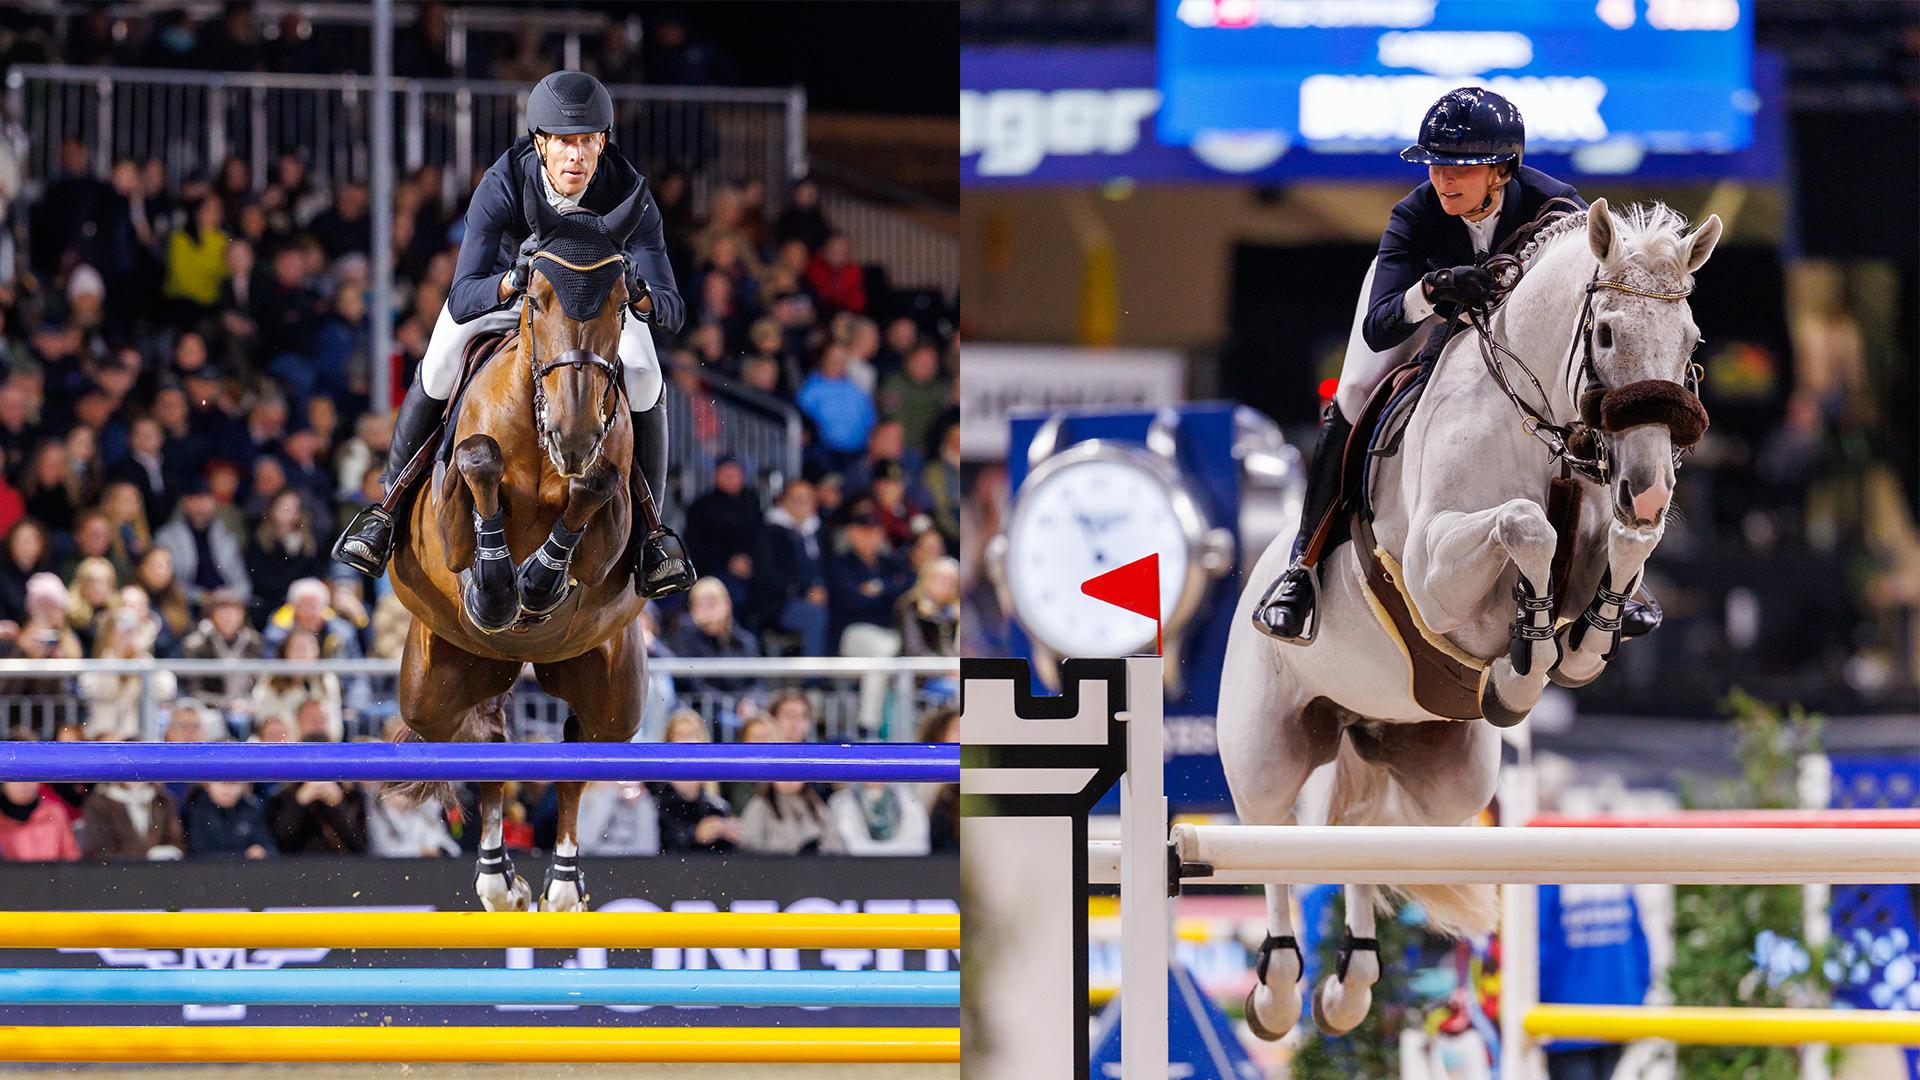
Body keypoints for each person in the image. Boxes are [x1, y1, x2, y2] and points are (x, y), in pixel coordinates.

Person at [1251, 87, 1659, 646]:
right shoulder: (1415, 214)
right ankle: (1303, 567)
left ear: (1501, 169)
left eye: (1460, 167)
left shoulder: (1558, 207)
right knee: (1354, 391)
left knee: (1583, 398)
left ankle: (1623, 573)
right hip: (1428, 321)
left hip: (1519, 340)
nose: (1443, 179)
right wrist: (1431, 289)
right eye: (1436, 164)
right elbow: (1379, 326)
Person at [333, 69, 694, 600]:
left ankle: (652, 535)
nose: (576, 156)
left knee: (643, 374)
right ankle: (387, 509)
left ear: (603, 141)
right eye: (564, 142)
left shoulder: (629, 192)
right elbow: (463, 295)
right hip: (514, 299)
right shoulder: (502, 182)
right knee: (440, 362)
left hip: (592, 316)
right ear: (540, 142)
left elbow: (672, 309)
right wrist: (510, 281)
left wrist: (638, 295)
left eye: (587, 141)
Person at [1538, 882, 1650, 1080]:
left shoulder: (1550, 879)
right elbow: (1640, 944)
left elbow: (1539, 945)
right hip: (1614, 1008)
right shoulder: (1617, 878)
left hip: (1567, 1016)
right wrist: (1635, 996)